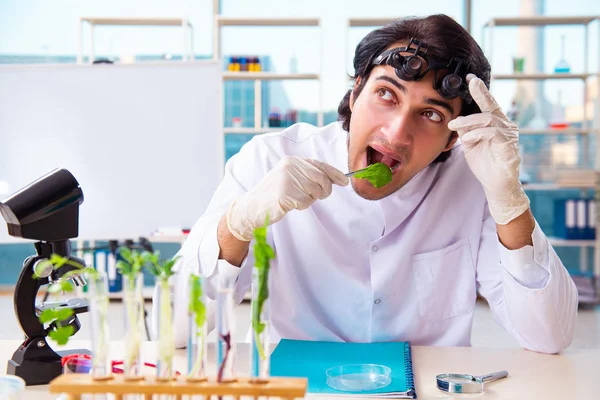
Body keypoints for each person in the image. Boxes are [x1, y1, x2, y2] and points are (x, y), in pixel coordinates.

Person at [156, 14, 578, 354]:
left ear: (453, 137)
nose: (396, 133)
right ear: (355, 93)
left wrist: (510, 201)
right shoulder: (268, 159)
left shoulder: (476, 180)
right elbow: (172, 328)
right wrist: (237, 223)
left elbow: (550, 336)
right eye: (387, 95)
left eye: (430, 114)